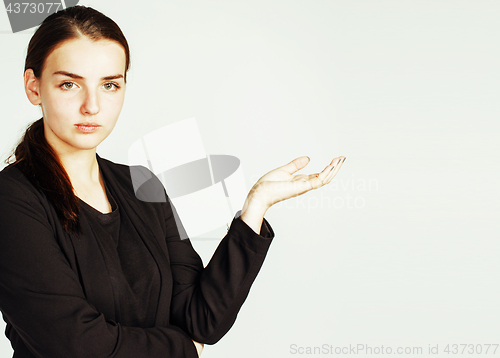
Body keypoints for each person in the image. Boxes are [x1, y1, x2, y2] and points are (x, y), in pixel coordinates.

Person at [0, 5, 345, 358]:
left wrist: (255, 207)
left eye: (109, 85)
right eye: (69, 84)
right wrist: (182, 349)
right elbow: (75, 345)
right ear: (34, 87)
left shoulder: (140, 185)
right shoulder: (11, 200)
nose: (92, 105)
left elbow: (201, 318)